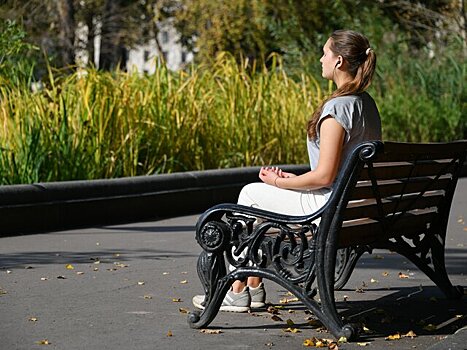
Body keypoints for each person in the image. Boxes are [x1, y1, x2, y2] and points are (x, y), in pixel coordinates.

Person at [193, 29, 382, 312]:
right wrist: (295, 180)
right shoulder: (366, 104)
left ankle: (236, 290)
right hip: (358, 207)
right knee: (258, 201)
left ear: (339, 61)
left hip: (330, 208)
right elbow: (336, 171)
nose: (321, 59)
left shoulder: (337, 109)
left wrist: (279, 184)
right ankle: (253, 286)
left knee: (249, 194)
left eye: (325, 53)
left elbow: (325, 177)